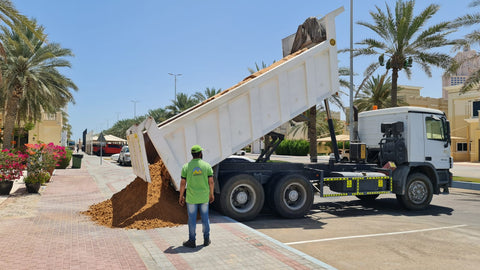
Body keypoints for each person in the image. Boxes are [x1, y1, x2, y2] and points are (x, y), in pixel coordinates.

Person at [179, 145, 214, 248]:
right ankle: (206, 239)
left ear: (192, 154)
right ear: (200, 154)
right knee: (205, 218)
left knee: (192, 219)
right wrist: (211, 194)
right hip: (204, 198)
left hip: (191, 198)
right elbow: (211, 182)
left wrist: (181, 196)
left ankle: (192, 240)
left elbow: (182, 183)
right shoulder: (207, 166)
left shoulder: (186, 166)